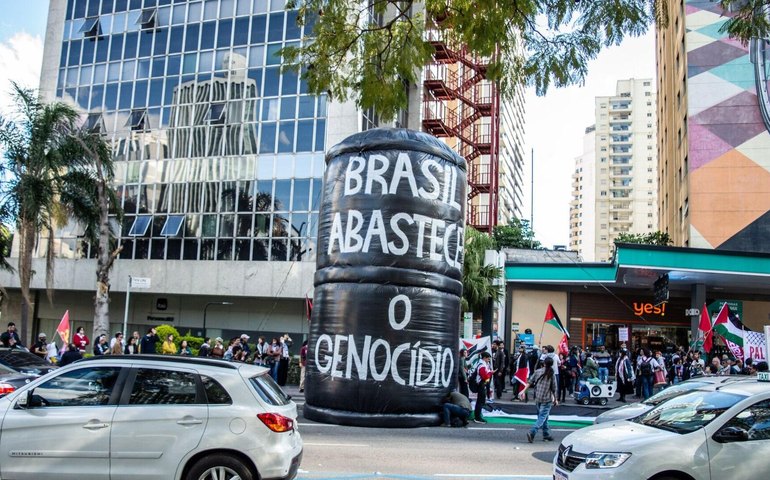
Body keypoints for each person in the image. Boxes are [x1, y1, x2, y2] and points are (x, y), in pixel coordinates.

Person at [520, 356, 557, 443]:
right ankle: (532, 432)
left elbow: (530, 382)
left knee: (543, 417)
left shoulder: (537, 371)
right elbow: (554, 388)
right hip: (547, 398)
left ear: (544, 363)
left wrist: (523, 391)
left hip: (537, 397)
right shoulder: (552, 373)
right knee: (542, 417)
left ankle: (546, 434)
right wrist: (555, 399)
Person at [473, 352, 494, 424]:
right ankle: (477, 417)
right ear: (484, 358)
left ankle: (478, 416)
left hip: (482, 384)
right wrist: (490, 373)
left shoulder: (483, 364)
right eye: (488, 359)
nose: (488, 360)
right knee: (480, 401)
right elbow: (485, 376)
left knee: (481, 401)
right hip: (481, 385)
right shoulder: (482, 365)